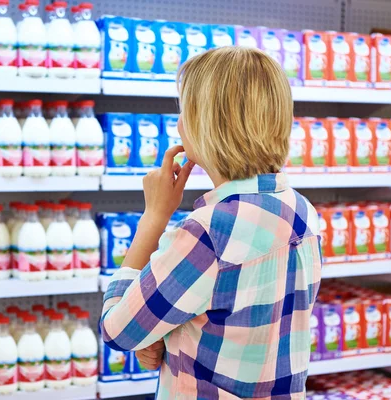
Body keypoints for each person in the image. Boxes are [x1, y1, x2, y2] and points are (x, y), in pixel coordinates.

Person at [100, 46, 322, 399]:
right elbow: (233, 319)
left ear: (205, 126)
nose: (178, 124)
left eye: (183, 112)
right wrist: (166, 335)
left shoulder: (208, 233)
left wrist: (154, 218)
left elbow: (117, 331)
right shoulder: (304, 212)